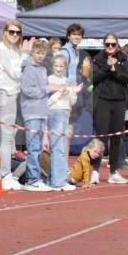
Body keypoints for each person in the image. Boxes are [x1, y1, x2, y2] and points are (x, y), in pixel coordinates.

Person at [0, 20, 32, 190]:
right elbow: (16, 73)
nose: (14, 35)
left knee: (3, 137)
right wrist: (26, 54)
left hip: (10, 94)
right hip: (4, 94)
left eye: (18, 32)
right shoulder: (2, 49)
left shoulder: (13, 50)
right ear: (5, 32)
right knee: (7, 137)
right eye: (11, 32)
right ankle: (5, 175)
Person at [92, 33, 128, 184]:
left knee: (117, 137)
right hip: (102, 100)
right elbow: (93, 78)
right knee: (100, 136)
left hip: (119, 101)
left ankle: (113, 172)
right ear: (104, 44)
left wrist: (115, 70)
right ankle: (95, 171)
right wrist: (106, 67)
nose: (110, 47)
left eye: (113, 44)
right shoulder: (97, 58)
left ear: (117, 44)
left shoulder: (123, 57)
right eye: (107, 44)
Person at [20, 39, 52, 191]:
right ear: (32, 52)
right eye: (38, 53)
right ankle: (32, 179)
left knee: (38, 148)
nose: (40, 56)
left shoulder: (43, 69)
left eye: (43, 53)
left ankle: (35, 177)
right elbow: (27, 90)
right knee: (33, 147)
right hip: (31, 112)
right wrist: (46, 89)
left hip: (41, 112)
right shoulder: (28, 68)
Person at [46, 52, 77, 191]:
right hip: (54, 113)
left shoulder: (67, 80)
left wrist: (71, 92)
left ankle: (58, 178)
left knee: (62, 148)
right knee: (57, 148)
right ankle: (57, 181)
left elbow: (72, 101)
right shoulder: (49, 80)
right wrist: (60, 92)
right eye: (56, 66)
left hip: (65, 113)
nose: (59, 68)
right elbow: (48, 101)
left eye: (61, 66)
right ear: (52, 66)